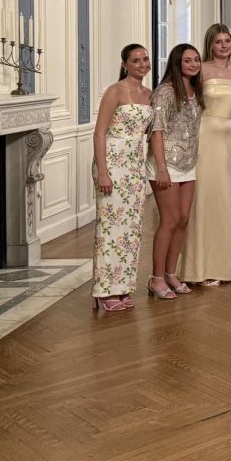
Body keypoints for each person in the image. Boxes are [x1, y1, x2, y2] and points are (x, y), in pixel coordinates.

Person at [178, 23, 231, 287]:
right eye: (218, 41)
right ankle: (198, 268)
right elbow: (188, 105)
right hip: (204, 138)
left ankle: (223, 267)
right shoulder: (201, 69)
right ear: (210, 44)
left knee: (224, 199)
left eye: (227, 40)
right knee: (203, 200)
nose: (223, 45)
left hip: (229, 139)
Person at [91, 44, 153, 312]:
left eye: (145, 59)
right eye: (135, 60)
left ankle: (124, 286)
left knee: (131, 229)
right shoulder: (115, 91)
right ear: (125, 65)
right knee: (110, 227)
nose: (142, 64)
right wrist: (103, 172)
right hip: (113, 162)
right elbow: (99, 133)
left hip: (135, 165)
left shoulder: (149, 94)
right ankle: (104, 290)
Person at [145, 44, 203, 300]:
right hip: (165, 163)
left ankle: (170, 273)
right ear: (177, 63)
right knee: (168, 221)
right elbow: (156, 131)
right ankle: (156, 278)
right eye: (187, 60)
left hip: (189, 163)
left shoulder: (195, 90)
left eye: (196, 60)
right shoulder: (165, 92)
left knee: (182, 219)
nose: (193, 64)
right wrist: (161, 168)